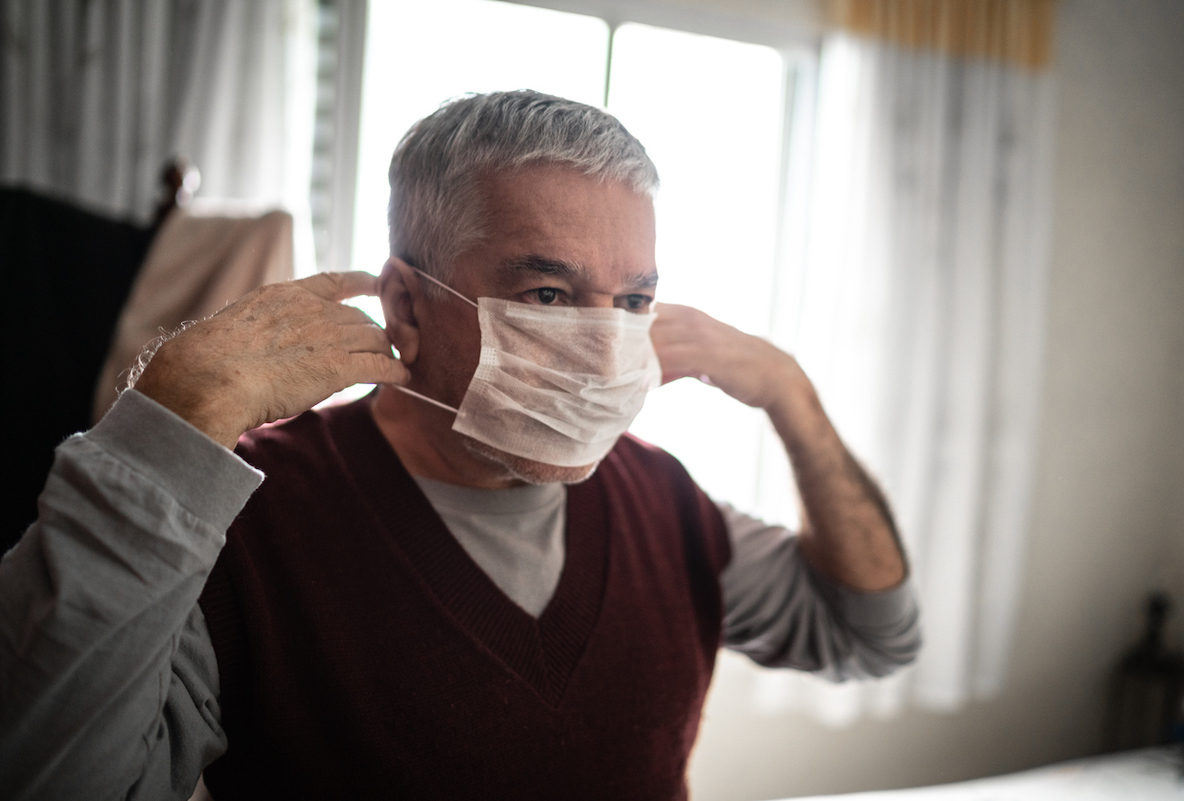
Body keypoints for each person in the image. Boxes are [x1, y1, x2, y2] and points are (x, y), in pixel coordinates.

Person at [0, 91, 919, 800]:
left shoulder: (664, 502)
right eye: (550, 296)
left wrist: (794, 398)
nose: (606, 346)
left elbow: (871, 635)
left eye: (633, 300)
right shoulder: (246, 521)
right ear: (407, 306)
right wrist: (168, 431)